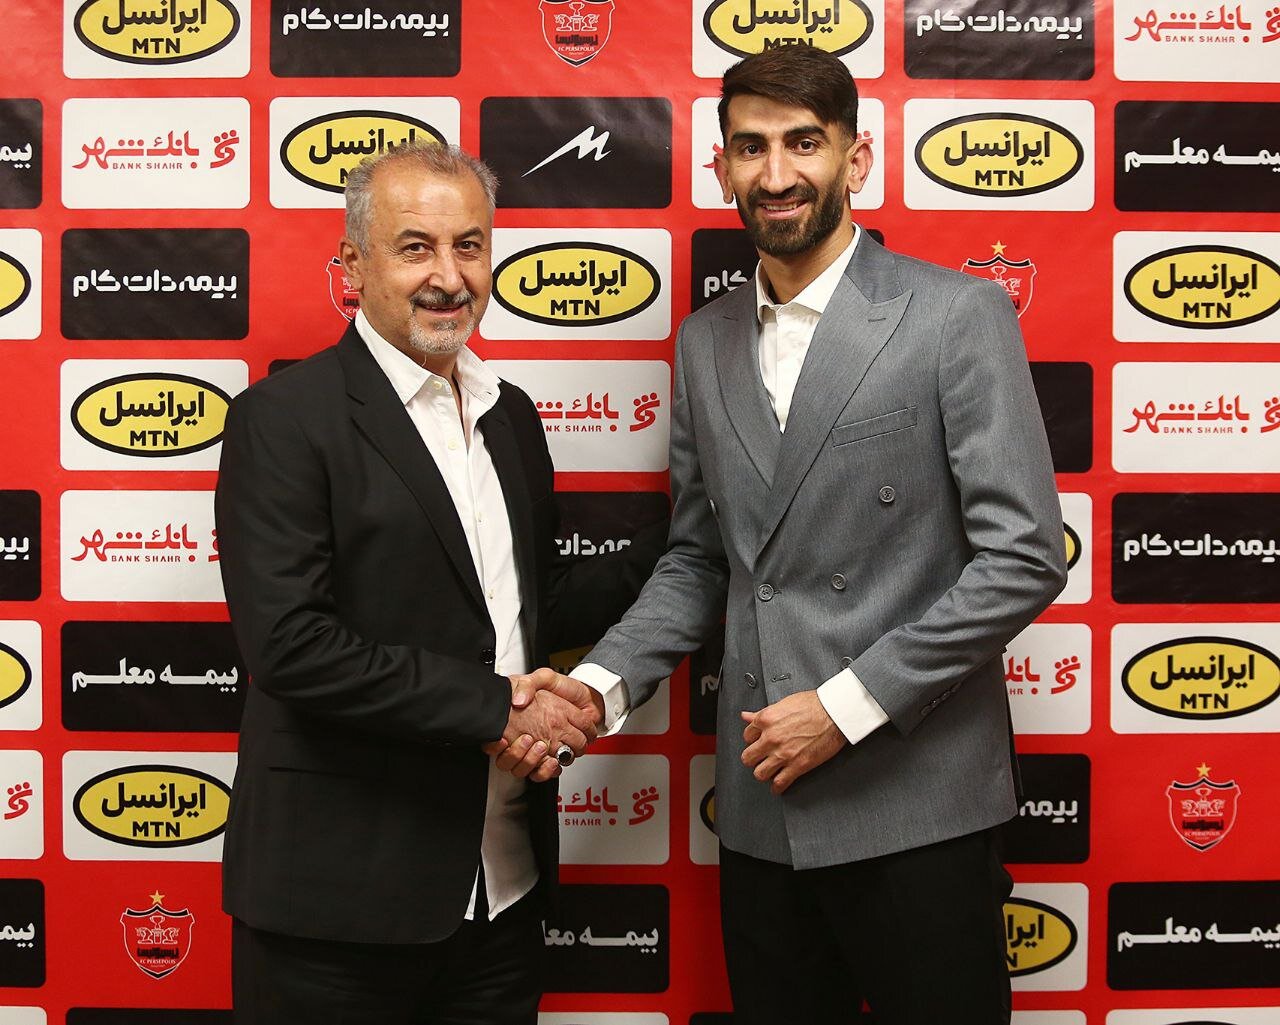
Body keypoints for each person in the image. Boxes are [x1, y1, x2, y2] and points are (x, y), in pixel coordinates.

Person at [506, 46, 1067, 1024]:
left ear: (856, 158)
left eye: (803, 143)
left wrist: (847, 705)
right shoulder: (703, 341)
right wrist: (596, 687)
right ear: (720, 165)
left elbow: (1023, 556)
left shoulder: (955, 314)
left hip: (918, 802)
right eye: (750, 147)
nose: (775, 173)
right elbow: (700, 557)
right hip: (764, 812)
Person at [215, 142, 656, 1025]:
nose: (448, 277)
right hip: (336, 911)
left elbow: (526, 609)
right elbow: (291, 646)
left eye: (469, 246)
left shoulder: (511, 416)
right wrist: (496, 708)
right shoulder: (283, 418)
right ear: (352, 266)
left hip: (504, 895)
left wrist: (697, 537)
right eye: (415, 247)